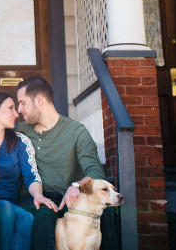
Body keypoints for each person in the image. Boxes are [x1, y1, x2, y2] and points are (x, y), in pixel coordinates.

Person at [15, 76, 118, 250]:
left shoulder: (76, 131)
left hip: (69, 197)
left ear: (38, 100)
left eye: (22, 103)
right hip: (34, 197)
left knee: (104, 211)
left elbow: (96, 171)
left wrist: (77, 185)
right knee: (45, 212)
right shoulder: (19, 131)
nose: (19, 110)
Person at [0, 91, 56, 250]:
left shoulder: (21, 142)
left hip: (9, 203)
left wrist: (38, 195)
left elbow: (31, 176)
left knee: (26, 218)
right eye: (11, 108)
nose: (16, 114)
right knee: (6, 210)